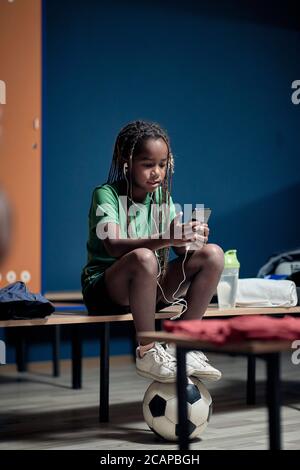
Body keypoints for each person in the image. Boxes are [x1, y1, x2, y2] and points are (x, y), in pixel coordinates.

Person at [81, 120, 224, 383]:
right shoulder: (106, 195)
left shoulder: (161, 198)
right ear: (128, 162)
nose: (156, 172)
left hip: (150, 284)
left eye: (162, 164)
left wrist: (189, 239)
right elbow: (112, 245)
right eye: (148, 164)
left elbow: (179, 251)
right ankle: (147, 351)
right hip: (105, 289)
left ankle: (185, 343)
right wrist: (167, 237)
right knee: (144, 258)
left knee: (213, 254)